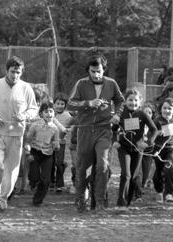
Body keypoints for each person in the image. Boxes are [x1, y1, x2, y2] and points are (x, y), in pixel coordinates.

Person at [67, 53, 125, 212]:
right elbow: (70, 105)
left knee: (103, 165)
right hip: (85, 130)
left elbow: (121, 101)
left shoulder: (111, 84)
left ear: (104, 70)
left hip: (104, 130)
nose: (96, 74)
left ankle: (99, 201)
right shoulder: (81, 84)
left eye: (99, 71)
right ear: (88, 71)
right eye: (92, 71)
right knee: (83, 167)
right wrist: (88, 103)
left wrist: (117, 115)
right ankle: (80, 199)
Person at [0, 56, 38, 210]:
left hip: (16, 134)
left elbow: (33, 109)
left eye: (18, 72)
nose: (15, 75)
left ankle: (4, 198)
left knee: (11, 170)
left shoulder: (26, 88)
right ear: (6, 70)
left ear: (22, 72)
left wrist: (24, 116)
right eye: (12, 72)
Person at [113, 88, 157, 206]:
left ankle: (127, 202)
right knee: (126, 174)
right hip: (124, 147)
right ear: (125, 101)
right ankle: (121, 203)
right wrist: (114, 141)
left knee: (133, 176)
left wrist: (147, 143)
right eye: (130, 100)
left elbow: (154, 130)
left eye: (136, 100)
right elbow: (113, 130)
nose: (133, 103)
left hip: (138, 149)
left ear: (140, 102)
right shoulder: (121, 114)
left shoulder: (142, 114)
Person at [25, 101, 60, 206]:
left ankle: (37, 200)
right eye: (46, 112)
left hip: (47, 155)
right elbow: (28, 140)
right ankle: (33, 183)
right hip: (35, 152)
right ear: (41, 114)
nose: (49, 114)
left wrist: (56, 146)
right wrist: (28, 152)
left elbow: (56, 142)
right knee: (34, 176)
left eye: (51, 111)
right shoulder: (35, 126)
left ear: (54, 114)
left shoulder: (55, 128)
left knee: (46, 180)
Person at [152, 97, 173, 204]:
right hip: (158, 150)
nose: (167, 111)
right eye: (164, 108)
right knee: (158, 171)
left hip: (171, 149)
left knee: (169, 167)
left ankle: (169, 193)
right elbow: (150, 134)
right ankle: (159, 192)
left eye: (169, 108)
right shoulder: (157, 121)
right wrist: (157, 133)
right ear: (160, 109)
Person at [52, 93, 72, 192]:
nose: (60, 106)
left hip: (61, 143)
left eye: (62, 104)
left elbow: (67, 129)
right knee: (51, 162)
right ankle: (51, 182)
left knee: (59, 163)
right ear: (54, 104)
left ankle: (60, 184)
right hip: (49, 143)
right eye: (58, 103)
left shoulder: (67, 116)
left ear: (65, 105)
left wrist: (62, 136)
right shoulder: (51, 113)